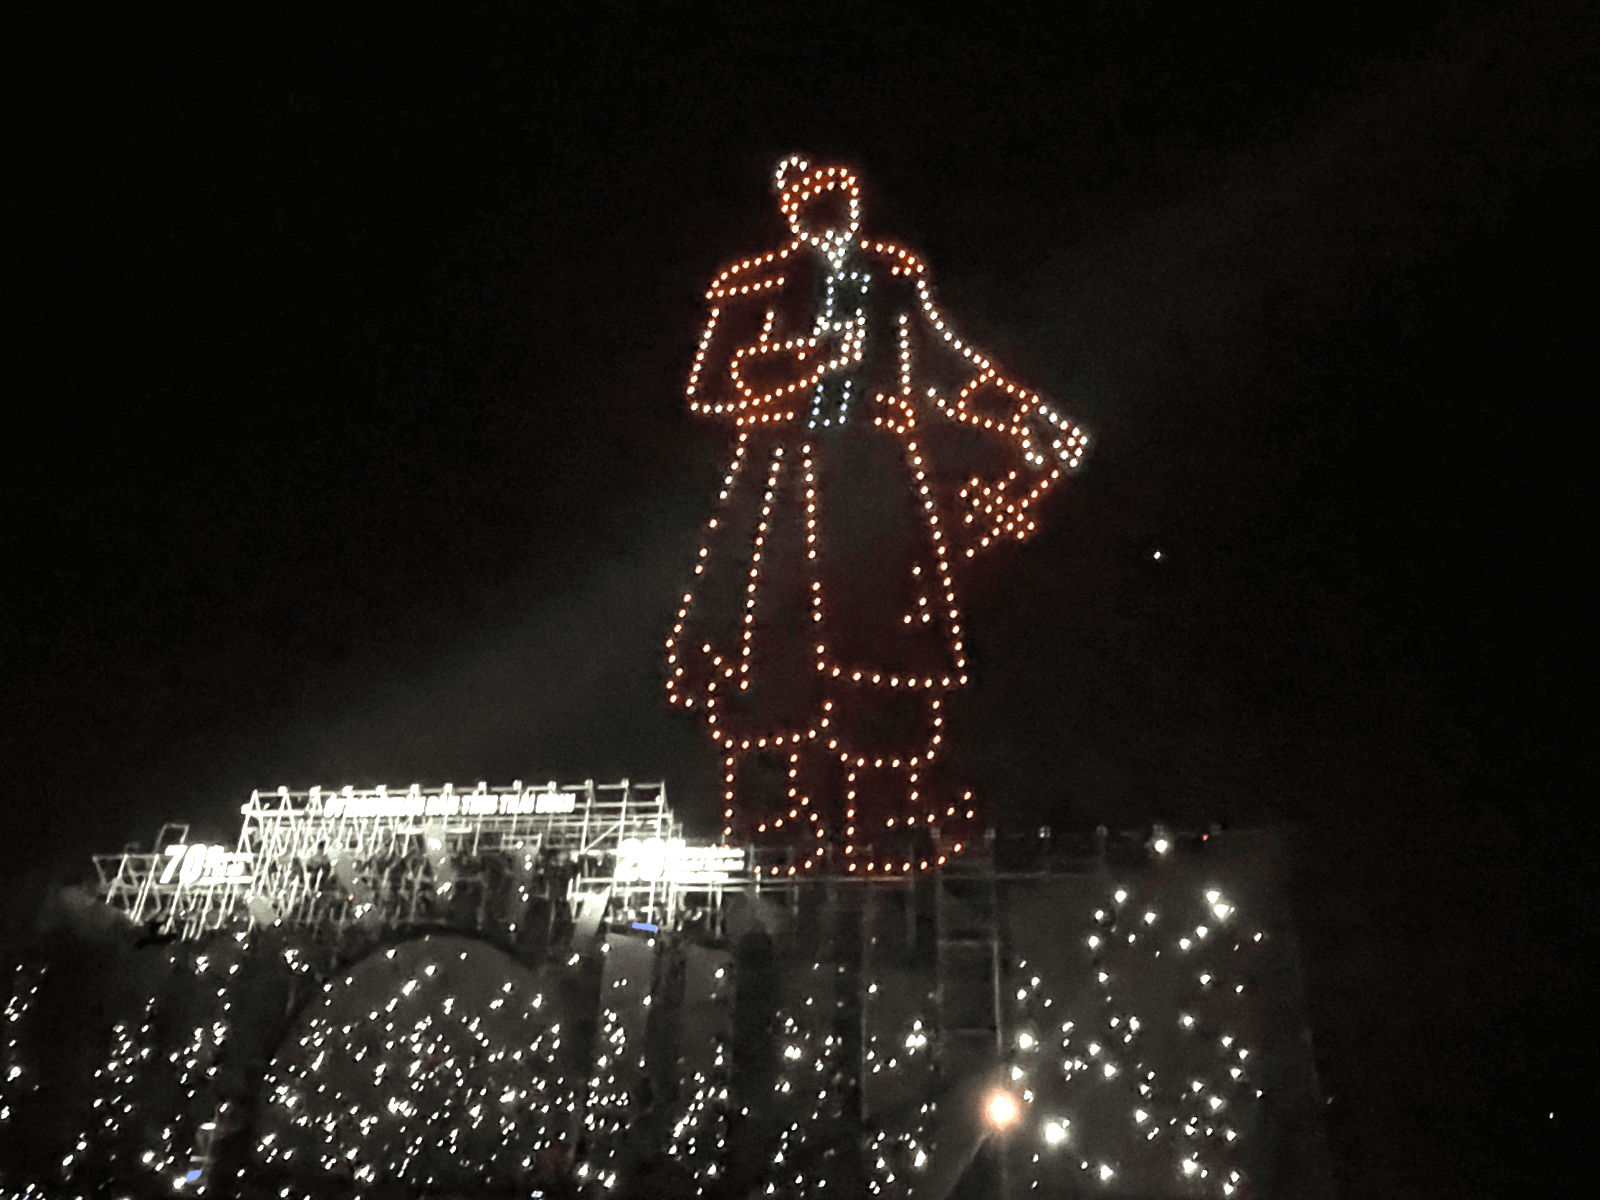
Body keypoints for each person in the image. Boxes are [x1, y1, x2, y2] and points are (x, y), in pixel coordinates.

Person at [666, 157, 1088, 873]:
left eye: (840, 200)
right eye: (816, 202)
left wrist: (1028, 418)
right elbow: (710, 387)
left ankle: (886, 833)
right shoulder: (754, 285)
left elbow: (949, 367)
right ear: (793, 210)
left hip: (876, 484)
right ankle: (776, 834)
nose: (830, 212)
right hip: (781, 488)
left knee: (887, 661)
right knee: (772, 663)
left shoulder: (893, 278)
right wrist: (808, 359)